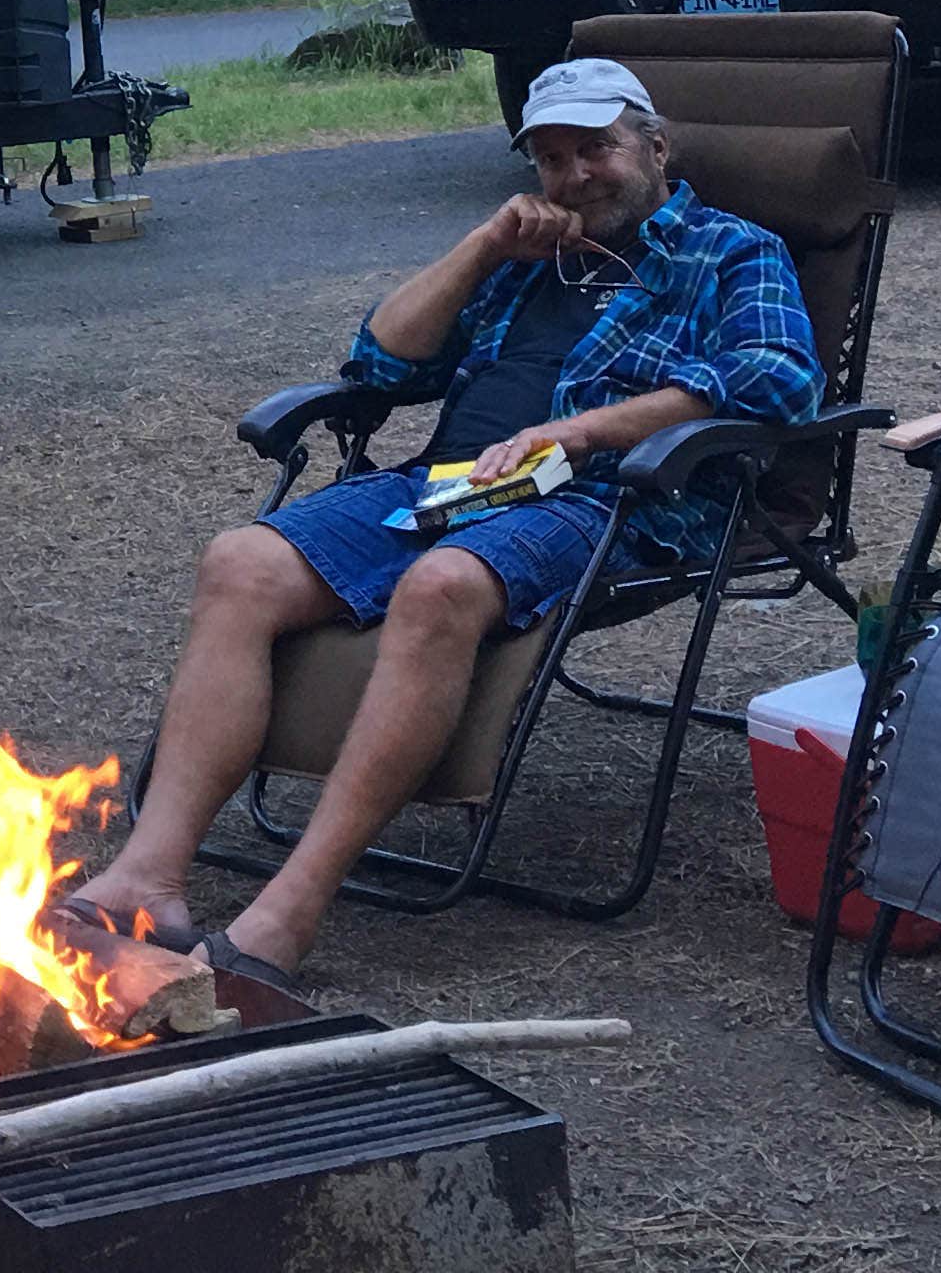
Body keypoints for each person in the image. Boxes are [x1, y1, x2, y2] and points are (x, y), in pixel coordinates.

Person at [54, 56, 820, 987]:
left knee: (442, 584)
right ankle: (152, 875)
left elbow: (779, 379)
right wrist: (485, 244)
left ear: (656, 147)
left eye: (598, 150)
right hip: (443, 485)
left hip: (604, 497)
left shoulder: (732, 250)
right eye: (550, 159)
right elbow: (378, 363)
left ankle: (287, 916)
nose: (575, 175)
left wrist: (581, 433)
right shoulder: (521, 258)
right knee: (240, 562)